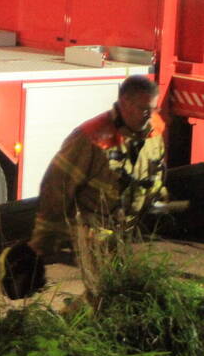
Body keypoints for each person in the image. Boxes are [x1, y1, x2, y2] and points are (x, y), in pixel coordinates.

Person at [29, 74, 166, 300]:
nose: (150, 116)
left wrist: (159, 197)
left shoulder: (154, 127)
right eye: (144, 109)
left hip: (128, 230)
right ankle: (77, 327)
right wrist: (43, 243)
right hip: (94, 233)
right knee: (105, 294)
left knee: (120, 291)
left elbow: (156, 166)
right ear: (124, 104)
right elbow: (57, 187)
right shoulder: (91, 137)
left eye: (154, 109)